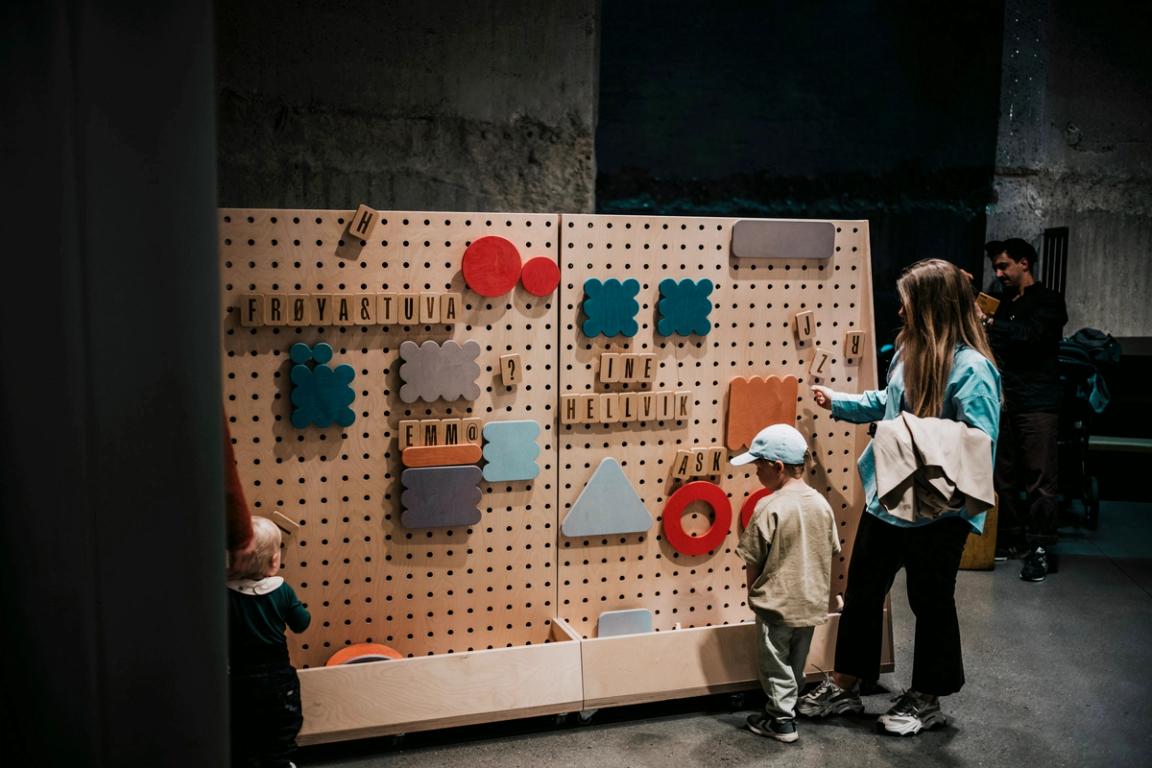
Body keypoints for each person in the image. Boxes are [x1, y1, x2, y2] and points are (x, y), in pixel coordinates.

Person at [799, 258, 1001, 736]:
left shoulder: (974, 370)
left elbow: (979, 443)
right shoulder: (907, 352)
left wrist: (909, 437)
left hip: (938, 512)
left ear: (932, 305)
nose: (902, 308)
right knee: (864, 591)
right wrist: (840, 401)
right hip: (887, 500)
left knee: (931, 601)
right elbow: (888, 403)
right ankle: (846, 683)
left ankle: (927, 697)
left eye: (909, 300)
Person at [732, 424, 841, 744]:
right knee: (796, 658)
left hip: (776, 601)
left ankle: (781, 720)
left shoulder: (769, 505)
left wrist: (753, 593)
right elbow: (831, 550)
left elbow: (753, 557)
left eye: (758, 466)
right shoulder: (821, 504)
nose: (755, 473)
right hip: (810, 600)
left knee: (773, 661)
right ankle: (785, 708)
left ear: (777, 467)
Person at [981, 238, 1068, 582]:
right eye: (996, 268)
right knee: (1003, 478)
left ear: (1024, 264)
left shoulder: (1049, 301)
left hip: (1038, 404)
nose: (999, 273)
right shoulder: (999, 303)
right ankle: (1013, 540)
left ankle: (1041, 548)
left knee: (1040, 480)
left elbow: (1030, 336)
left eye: (1004, 266)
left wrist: (991, 325)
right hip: (1005, 401)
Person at [228, 515, 311, 768]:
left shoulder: (225, 594)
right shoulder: (282, 590)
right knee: (283, 720)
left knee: (243, 725)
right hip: (277, 672)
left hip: (240, 674)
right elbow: (301, 623)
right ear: (275, 561)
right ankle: (279, 761)